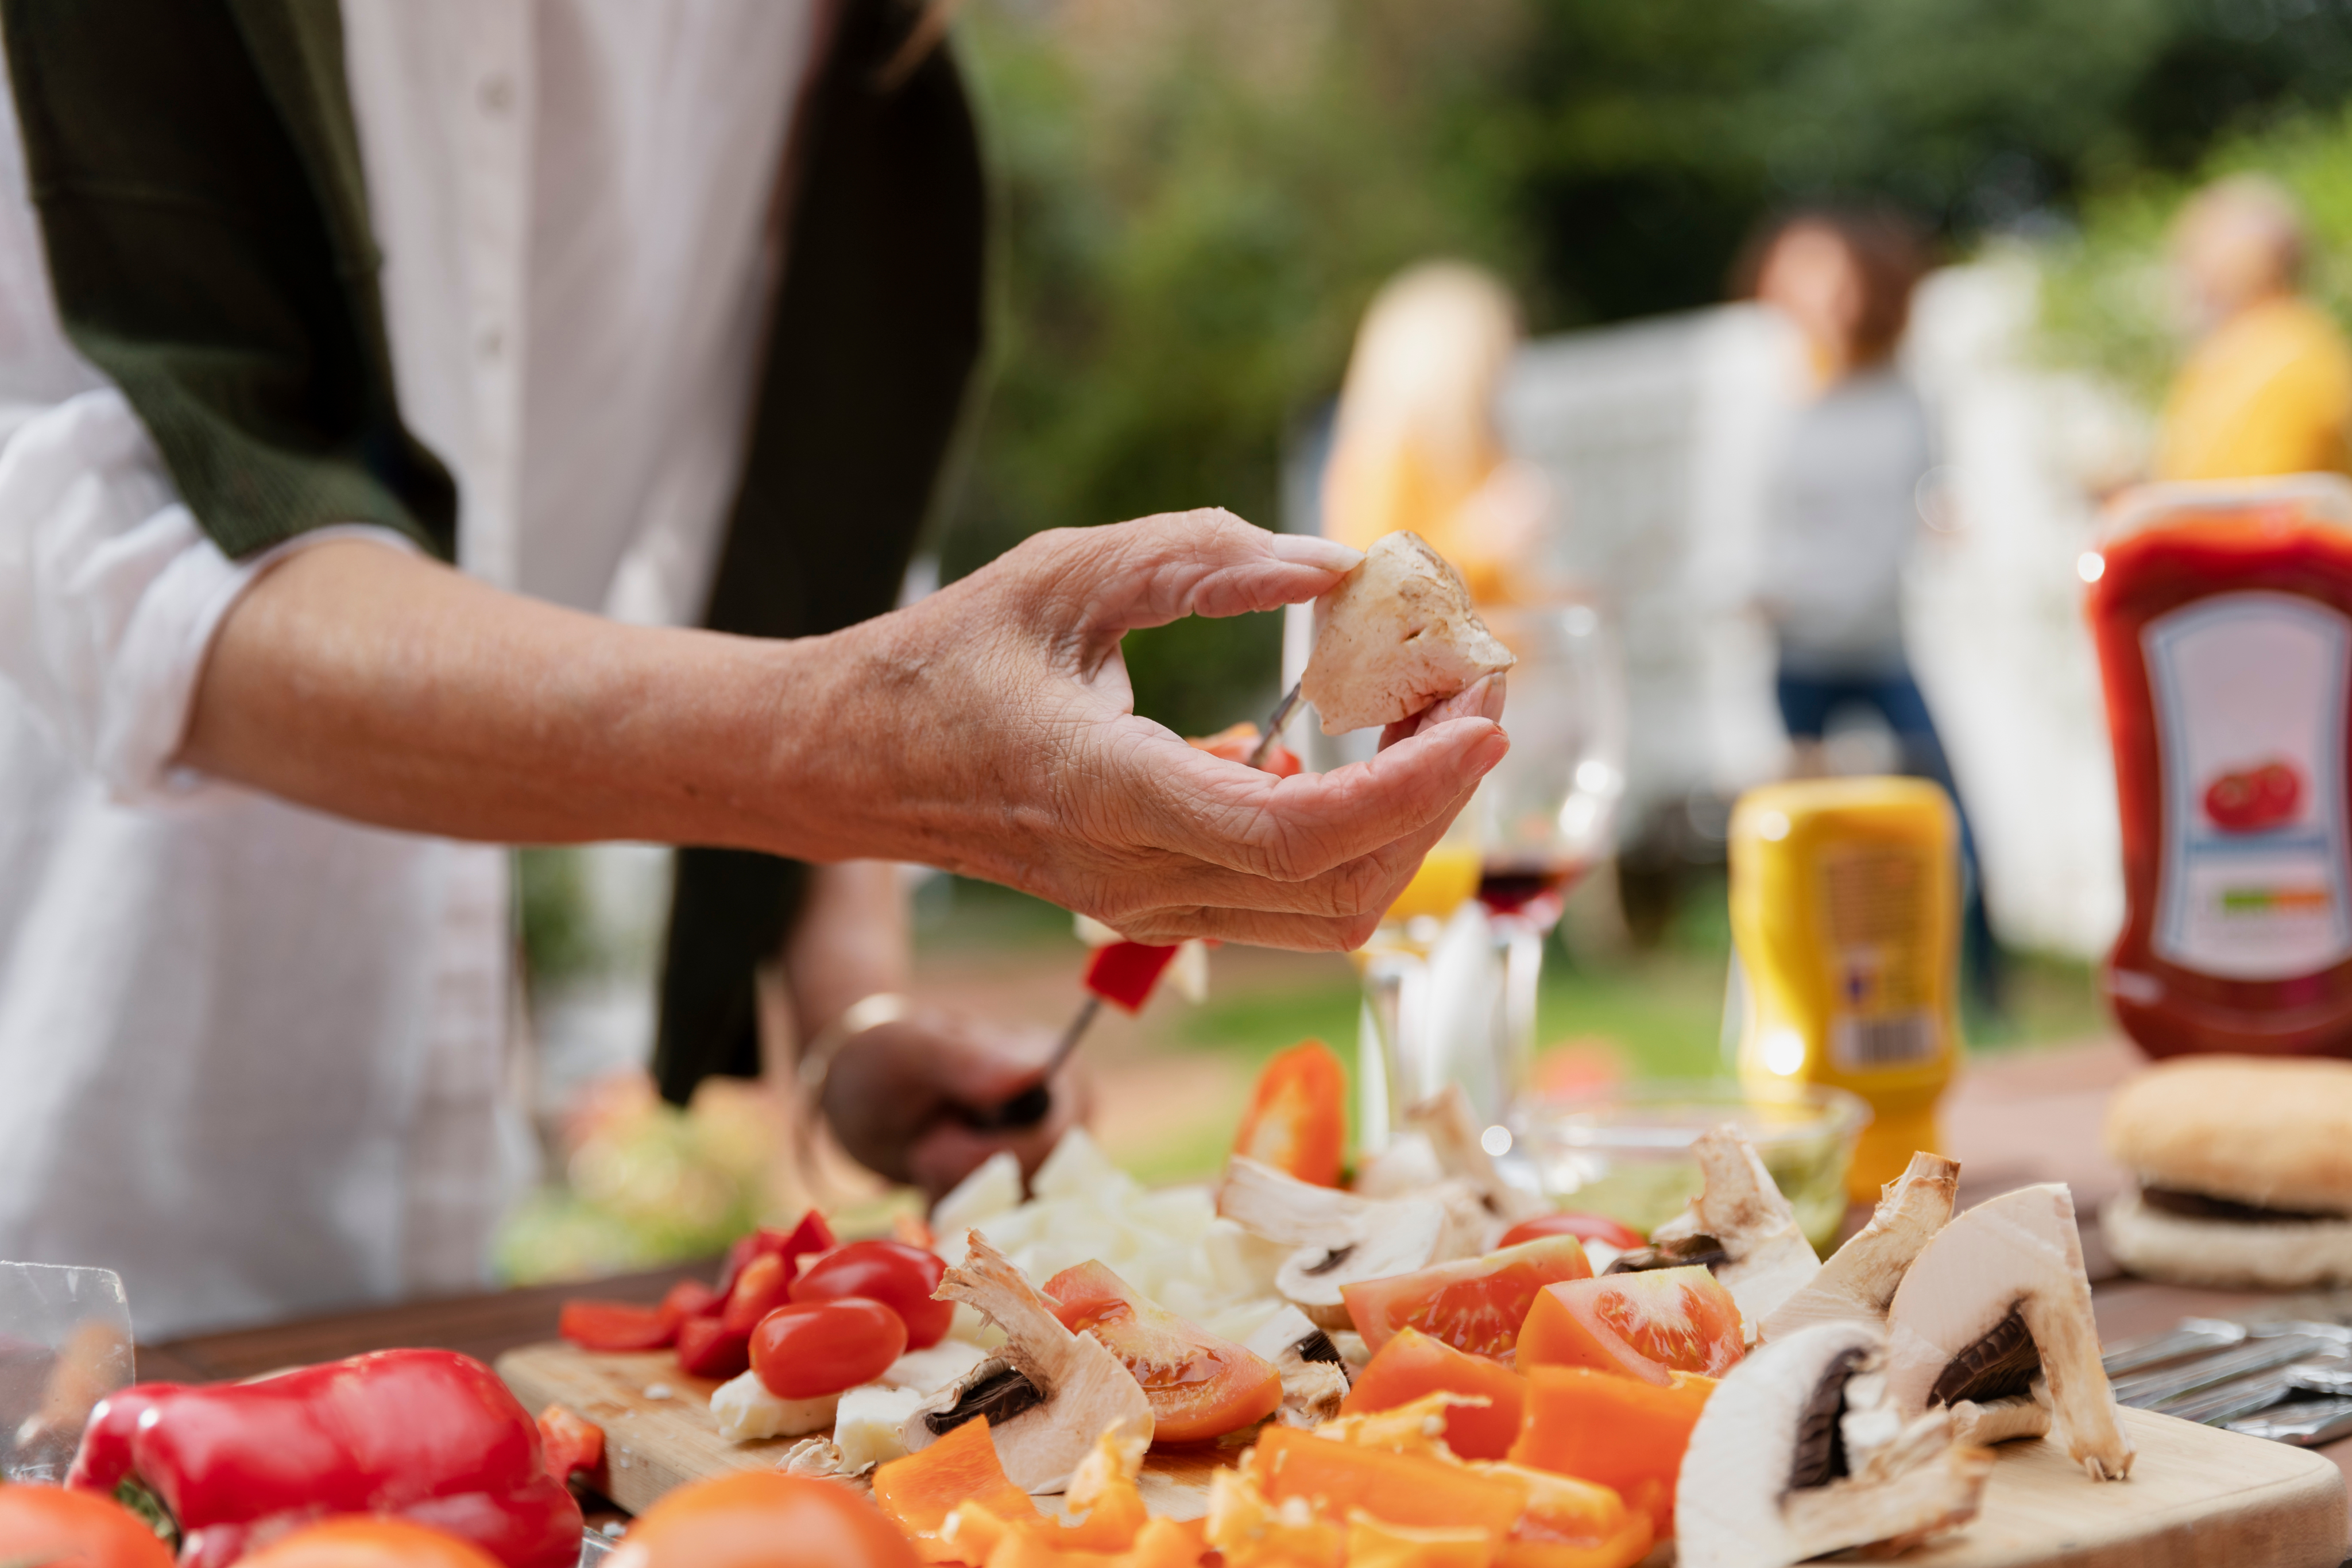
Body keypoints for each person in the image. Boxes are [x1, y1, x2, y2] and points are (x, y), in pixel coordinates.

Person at [0, 2, 1506, 1337]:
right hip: (41, 1172)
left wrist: (854, 1016)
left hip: (415, 1271)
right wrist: (856, 749)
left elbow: (810, 573)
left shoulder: (856, 61)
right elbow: (136, 570)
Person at [1743, 207, 2002, 1012]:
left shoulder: (1904, 396)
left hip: (1882, 641)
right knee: (1802, 836)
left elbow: (1930, 500)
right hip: (1801, 649)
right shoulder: (1777, 393)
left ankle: (1980, 987)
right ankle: (1807, 995)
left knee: (1941, 814)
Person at [1320, 262, 1553, 605]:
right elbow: (1378, 579)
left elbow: (1500, 595)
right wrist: (1484, 543)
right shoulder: (1384, 457)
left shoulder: (1480, 448)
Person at [2154, 175, 2352, 483]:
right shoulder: (2230, 352)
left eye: (2199, 246)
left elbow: (2256, 505)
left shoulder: (2292, 354)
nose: (2184, 266)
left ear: (2250, 258)